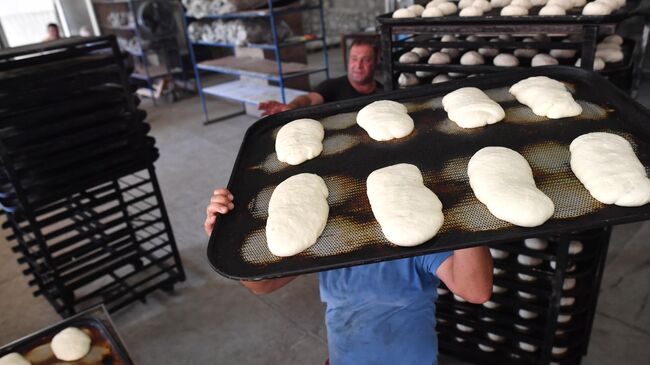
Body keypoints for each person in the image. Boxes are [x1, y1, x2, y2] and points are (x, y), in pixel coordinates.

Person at [205, 188, 493, 364]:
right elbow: (263, 285)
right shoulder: (331, 241)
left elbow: (475, 290)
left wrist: (465, 215)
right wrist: (233, 239)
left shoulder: (414, 237)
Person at [257, 39, 383, 116]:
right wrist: (290, 107)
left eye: (366, 60)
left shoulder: (382, 92)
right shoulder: (332, 87)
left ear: (376, 61)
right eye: (354, 59)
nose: (358, 66)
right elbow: (308, 99)